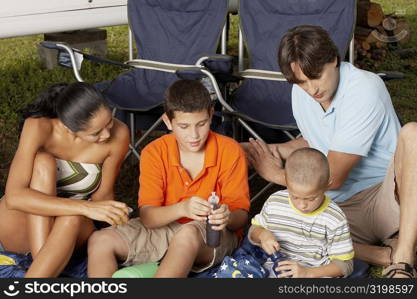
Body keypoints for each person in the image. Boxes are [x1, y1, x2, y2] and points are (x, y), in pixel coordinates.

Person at [244, 25, 417, 278]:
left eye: (316, 76)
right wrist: (269, 150)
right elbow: (315, 142)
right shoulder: (301, 93)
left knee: (412, 133)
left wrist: (275, 174)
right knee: (283, 235)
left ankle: (402, 259)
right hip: (336, 209)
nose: (311, 89)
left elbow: (333, 176)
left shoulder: (364, 88)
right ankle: (380, 253)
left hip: (386, 198)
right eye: (302, 82)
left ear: (334, 60)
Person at [87, 79, 250, 278]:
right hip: (164, 228)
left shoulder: (229, 150)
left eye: (202, 124)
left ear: (210, 114)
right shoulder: (154, 152)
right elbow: (148, 217)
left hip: (211, 235)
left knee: (187, 234)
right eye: (183, 126)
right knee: (100, 240)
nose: (194, 135)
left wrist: (227, 216)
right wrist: (182, 208)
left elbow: (241, 217)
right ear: (167, 122)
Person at [0, 82, 130, 278]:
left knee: (71, 217)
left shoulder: (119, 134)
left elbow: (103, 195)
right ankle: (44, 269)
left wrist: (115, 220)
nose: (107, 134)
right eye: (96, 133)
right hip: (22, 224)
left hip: (71, 228)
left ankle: (37, 276)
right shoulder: (38, 127)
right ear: (68, 127)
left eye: (109, 122)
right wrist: (82, 207)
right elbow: (14, 197)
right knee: (43, 162)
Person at [249, 148, 354, 278]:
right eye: (295, 197)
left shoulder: (335, 219)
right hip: (273, 270)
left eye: (311, 199)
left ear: (327, 185)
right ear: (286, 182)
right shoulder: (275, 202)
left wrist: (307, 273)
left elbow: (345, 266)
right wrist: (263, 235)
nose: (302, 205)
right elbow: (253, 231)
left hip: (315, 273)